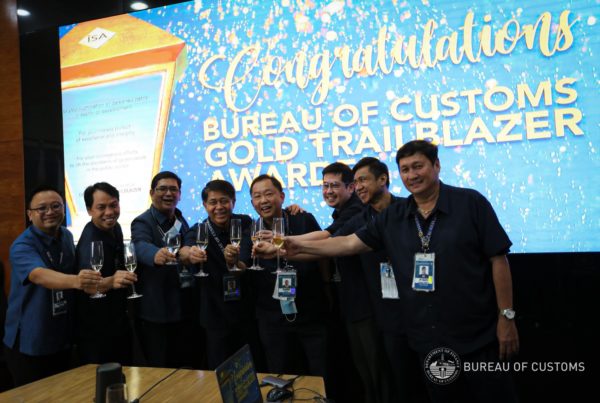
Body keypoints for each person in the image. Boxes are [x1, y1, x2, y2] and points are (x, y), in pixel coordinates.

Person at [278, 140, 519, 403]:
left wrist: (506, 317)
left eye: (418, 166)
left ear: (436, 165)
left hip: (477, 336)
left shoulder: (470, 202)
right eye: (405, 169)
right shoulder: (394, 216)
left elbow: (498, 259)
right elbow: (347, 243)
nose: (412, 175)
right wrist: (292, 245)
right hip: (427, 339)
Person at [3, 185, 100, 386]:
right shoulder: (22, 245)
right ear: (30, 214)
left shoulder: (66, 236)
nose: (50, 212)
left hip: (62, 337)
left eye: (56, 206)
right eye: (42, 208)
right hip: (30, 341)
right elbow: (38, 275)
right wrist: (77, 281)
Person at [248, 174, 329, 378]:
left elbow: (323, 251)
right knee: (281, 375)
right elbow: (243, 264)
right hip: (272, 318)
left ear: (282, 196)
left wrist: (328, 286)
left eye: (269, 194)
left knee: (321, 371)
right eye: (257, 196)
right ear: (252, 202)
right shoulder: (251, 229)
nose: (263, 200)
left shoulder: (303, 218)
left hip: (311, 311)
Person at [180, 179, 262, 370]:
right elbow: (183, 251)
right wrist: (189, 253)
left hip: (247, 312)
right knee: (221, 370)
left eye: (224, 201)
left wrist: (290, 209)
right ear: (205, 205)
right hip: (215, 315)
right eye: (213, 202)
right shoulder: (199, 230)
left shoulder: (245, 222)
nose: (219, 207)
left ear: (233, 201)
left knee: (252, 367)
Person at [130, 171, 201, 368]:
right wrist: (155, 254)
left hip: (183, 307)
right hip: (157, 311)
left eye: (173, 189)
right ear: (152, 193)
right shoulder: (142, 221)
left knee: (184, 367)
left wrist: (188, 248)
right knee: (159, 368)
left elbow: (188, 240)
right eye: (162, 189)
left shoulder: (179, 219)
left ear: (179, 194)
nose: (168, 193)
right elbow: (139, 244)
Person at [74, 182, 137, 365]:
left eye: (113, 205)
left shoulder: (115, 228)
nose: (109, 212)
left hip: (117, 320)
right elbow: (88, 286)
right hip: (96, 329)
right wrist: (111, 281)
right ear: (89, 210)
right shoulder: (90, 242)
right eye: (101, 207)